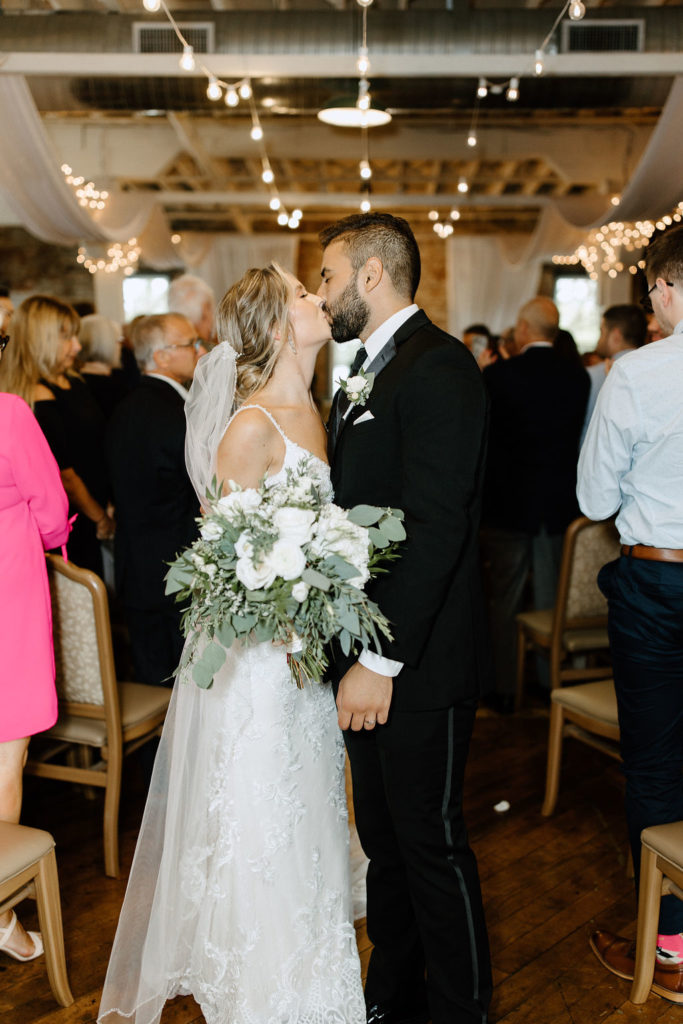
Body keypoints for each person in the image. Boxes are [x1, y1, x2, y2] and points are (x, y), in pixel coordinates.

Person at [98, 264, 365, 1024]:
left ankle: (314, 985)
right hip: (260, 665)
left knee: (308, 817)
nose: (320, 302)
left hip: (302, 661)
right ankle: (263, 995)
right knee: (261, 822)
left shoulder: (313, 405)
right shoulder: (250, 426)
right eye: (306, 298)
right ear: (282, 327)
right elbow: (223, 560)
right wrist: (286, 612)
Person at [319, 213, 492, 1024]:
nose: (321, 295)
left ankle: (463, 1010)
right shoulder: (371, 370)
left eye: (326, 277)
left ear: (371, 275)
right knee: (385, 847)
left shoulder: (438, 367)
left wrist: (377, 661)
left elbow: (437, 525)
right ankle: (393, 995)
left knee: (428, 846)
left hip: (414, 660)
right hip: (364, 649)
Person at [578, 224, 683, 1004]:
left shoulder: (637, 373)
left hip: (658, 588)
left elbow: (592, 501)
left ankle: (672, 944)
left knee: (655, 764)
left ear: (666, 287)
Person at [479, 296, 589, 709]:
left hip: (509, 505)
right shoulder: (575, 377)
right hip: (558, 504)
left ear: (524, 329)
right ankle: (548, 683)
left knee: (504, 601)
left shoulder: (499, 376)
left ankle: (505, 689)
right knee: (550, 598)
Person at [0, 331, 70, 963]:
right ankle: (1, 919)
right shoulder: (9, 414)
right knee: (3, 762)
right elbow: (51, 510)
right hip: (5, 603)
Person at [106, 314, 206, 688]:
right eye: (189, 343)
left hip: (135, 571)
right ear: (161, 356)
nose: (200, 350)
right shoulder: (180, 414)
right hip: (179, 572)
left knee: (153, 679)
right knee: (187, 691)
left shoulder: (123, 409)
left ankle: (152, 752)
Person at [0, 295, 114, 575]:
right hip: (73, 518)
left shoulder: (73, 380)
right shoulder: (37, 396)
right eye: (66, 338)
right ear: (40, 340)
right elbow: (64, 473)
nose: (77, 346)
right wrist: (98, 516)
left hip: (95, 506)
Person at [580, 304, 647, 444]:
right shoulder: (654, 372)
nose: (599, 340)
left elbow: (581, 427)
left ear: (616, 336)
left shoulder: (591, 376)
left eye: (602, 332)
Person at [78, 314, 129, 420]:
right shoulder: (113, 387)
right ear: (107, 344)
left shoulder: (74, 382)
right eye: (118, 341)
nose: (121, 346)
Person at [168, 273, 216, 348]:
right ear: (204, 315)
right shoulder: (212, 352)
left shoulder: (170, 346)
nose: (213, 317)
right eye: (210, 309)